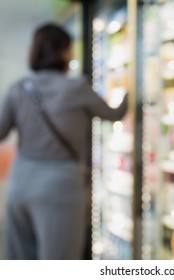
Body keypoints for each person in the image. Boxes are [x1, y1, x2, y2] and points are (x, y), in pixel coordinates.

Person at [0, 23, 128, 259]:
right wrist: (132, 88)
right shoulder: (76, 88)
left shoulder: (18, 89)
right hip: (59, 187)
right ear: (65, 52)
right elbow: (114, 114)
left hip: (20, 183)